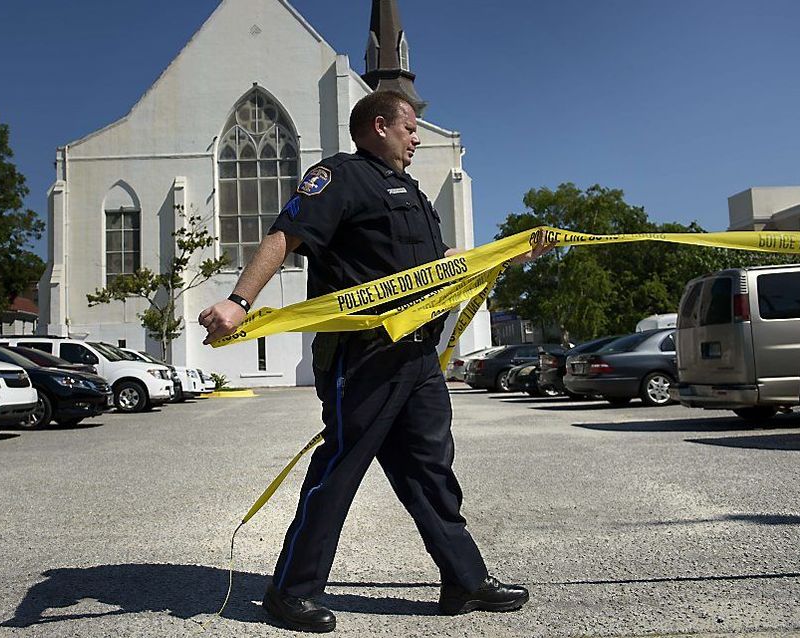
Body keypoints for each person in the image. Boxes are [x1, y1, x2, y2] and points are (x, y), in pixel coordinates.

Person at [199, 90, 550, 633]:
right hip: (363, 359)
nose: (416, 138)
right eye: (410, 128)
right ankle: (290, 592)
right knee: (339, 471)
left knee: (431, 471)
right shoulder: (338, 178)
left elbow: (441, 268)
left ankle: (464, 581)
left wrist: (508, 252)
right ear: (379, 125)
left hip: (418, 360)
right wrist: (239, 300)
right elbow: (286, 234)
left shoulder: (412, 193)